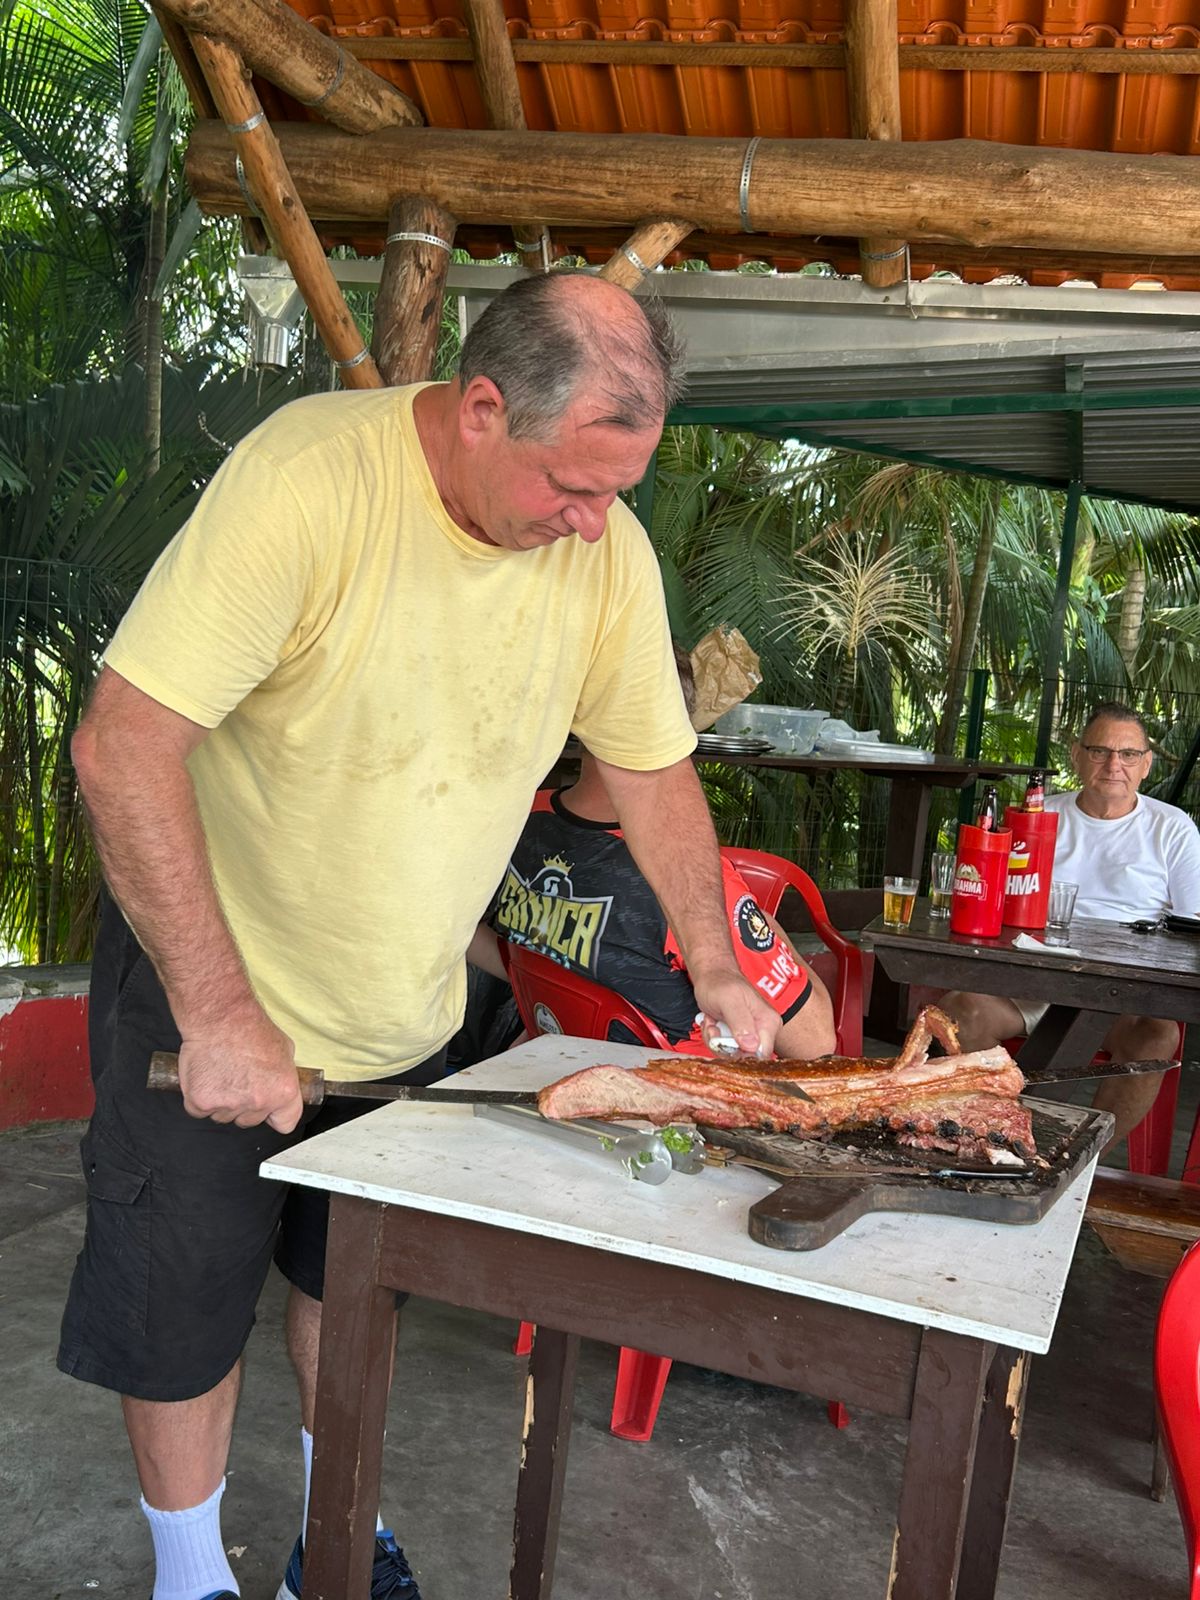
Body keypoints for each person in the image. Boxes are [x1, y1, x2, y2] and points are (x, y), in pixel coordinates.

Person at [60, 273, 784, 1600]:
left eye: (619, 491)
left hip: (402, 1005)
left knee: (356, 1286)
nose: (594, 524)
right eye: (574, 486)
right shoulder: (311, 481)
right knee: (184, 1301)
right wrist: (220, 1013)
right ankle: (188, 1578)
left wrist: (718, 962)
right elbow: (122, 747)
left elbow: (653, 768)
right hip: (212, 986)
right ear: (482, 409)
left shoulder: (602, 553)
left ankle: (339, 1528)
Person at [468, 645, 837, 1059]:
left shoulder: (519, 820)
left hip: (556, 1058)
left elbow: (471, 938)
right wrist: (766, 926)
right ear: (679, 730)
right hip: (679, 1097)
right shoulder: (694, 891)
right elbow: (815, 1043)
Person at [943, 702, 1200, 1151]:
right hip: (1030, 982)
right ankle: (1004, 1140)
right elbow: (991, 898)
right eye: (1100, 751)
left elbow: (1191, 925)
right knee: (958, 1012)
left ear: (1146, 764)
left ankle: (1078, 1156)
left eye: (1129, 754)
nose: (1114, 765)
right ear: (1076, 755)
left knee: (1158, 1034)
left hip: (1121, 994)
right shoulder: (1036, 819)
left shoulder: (1172, 829)